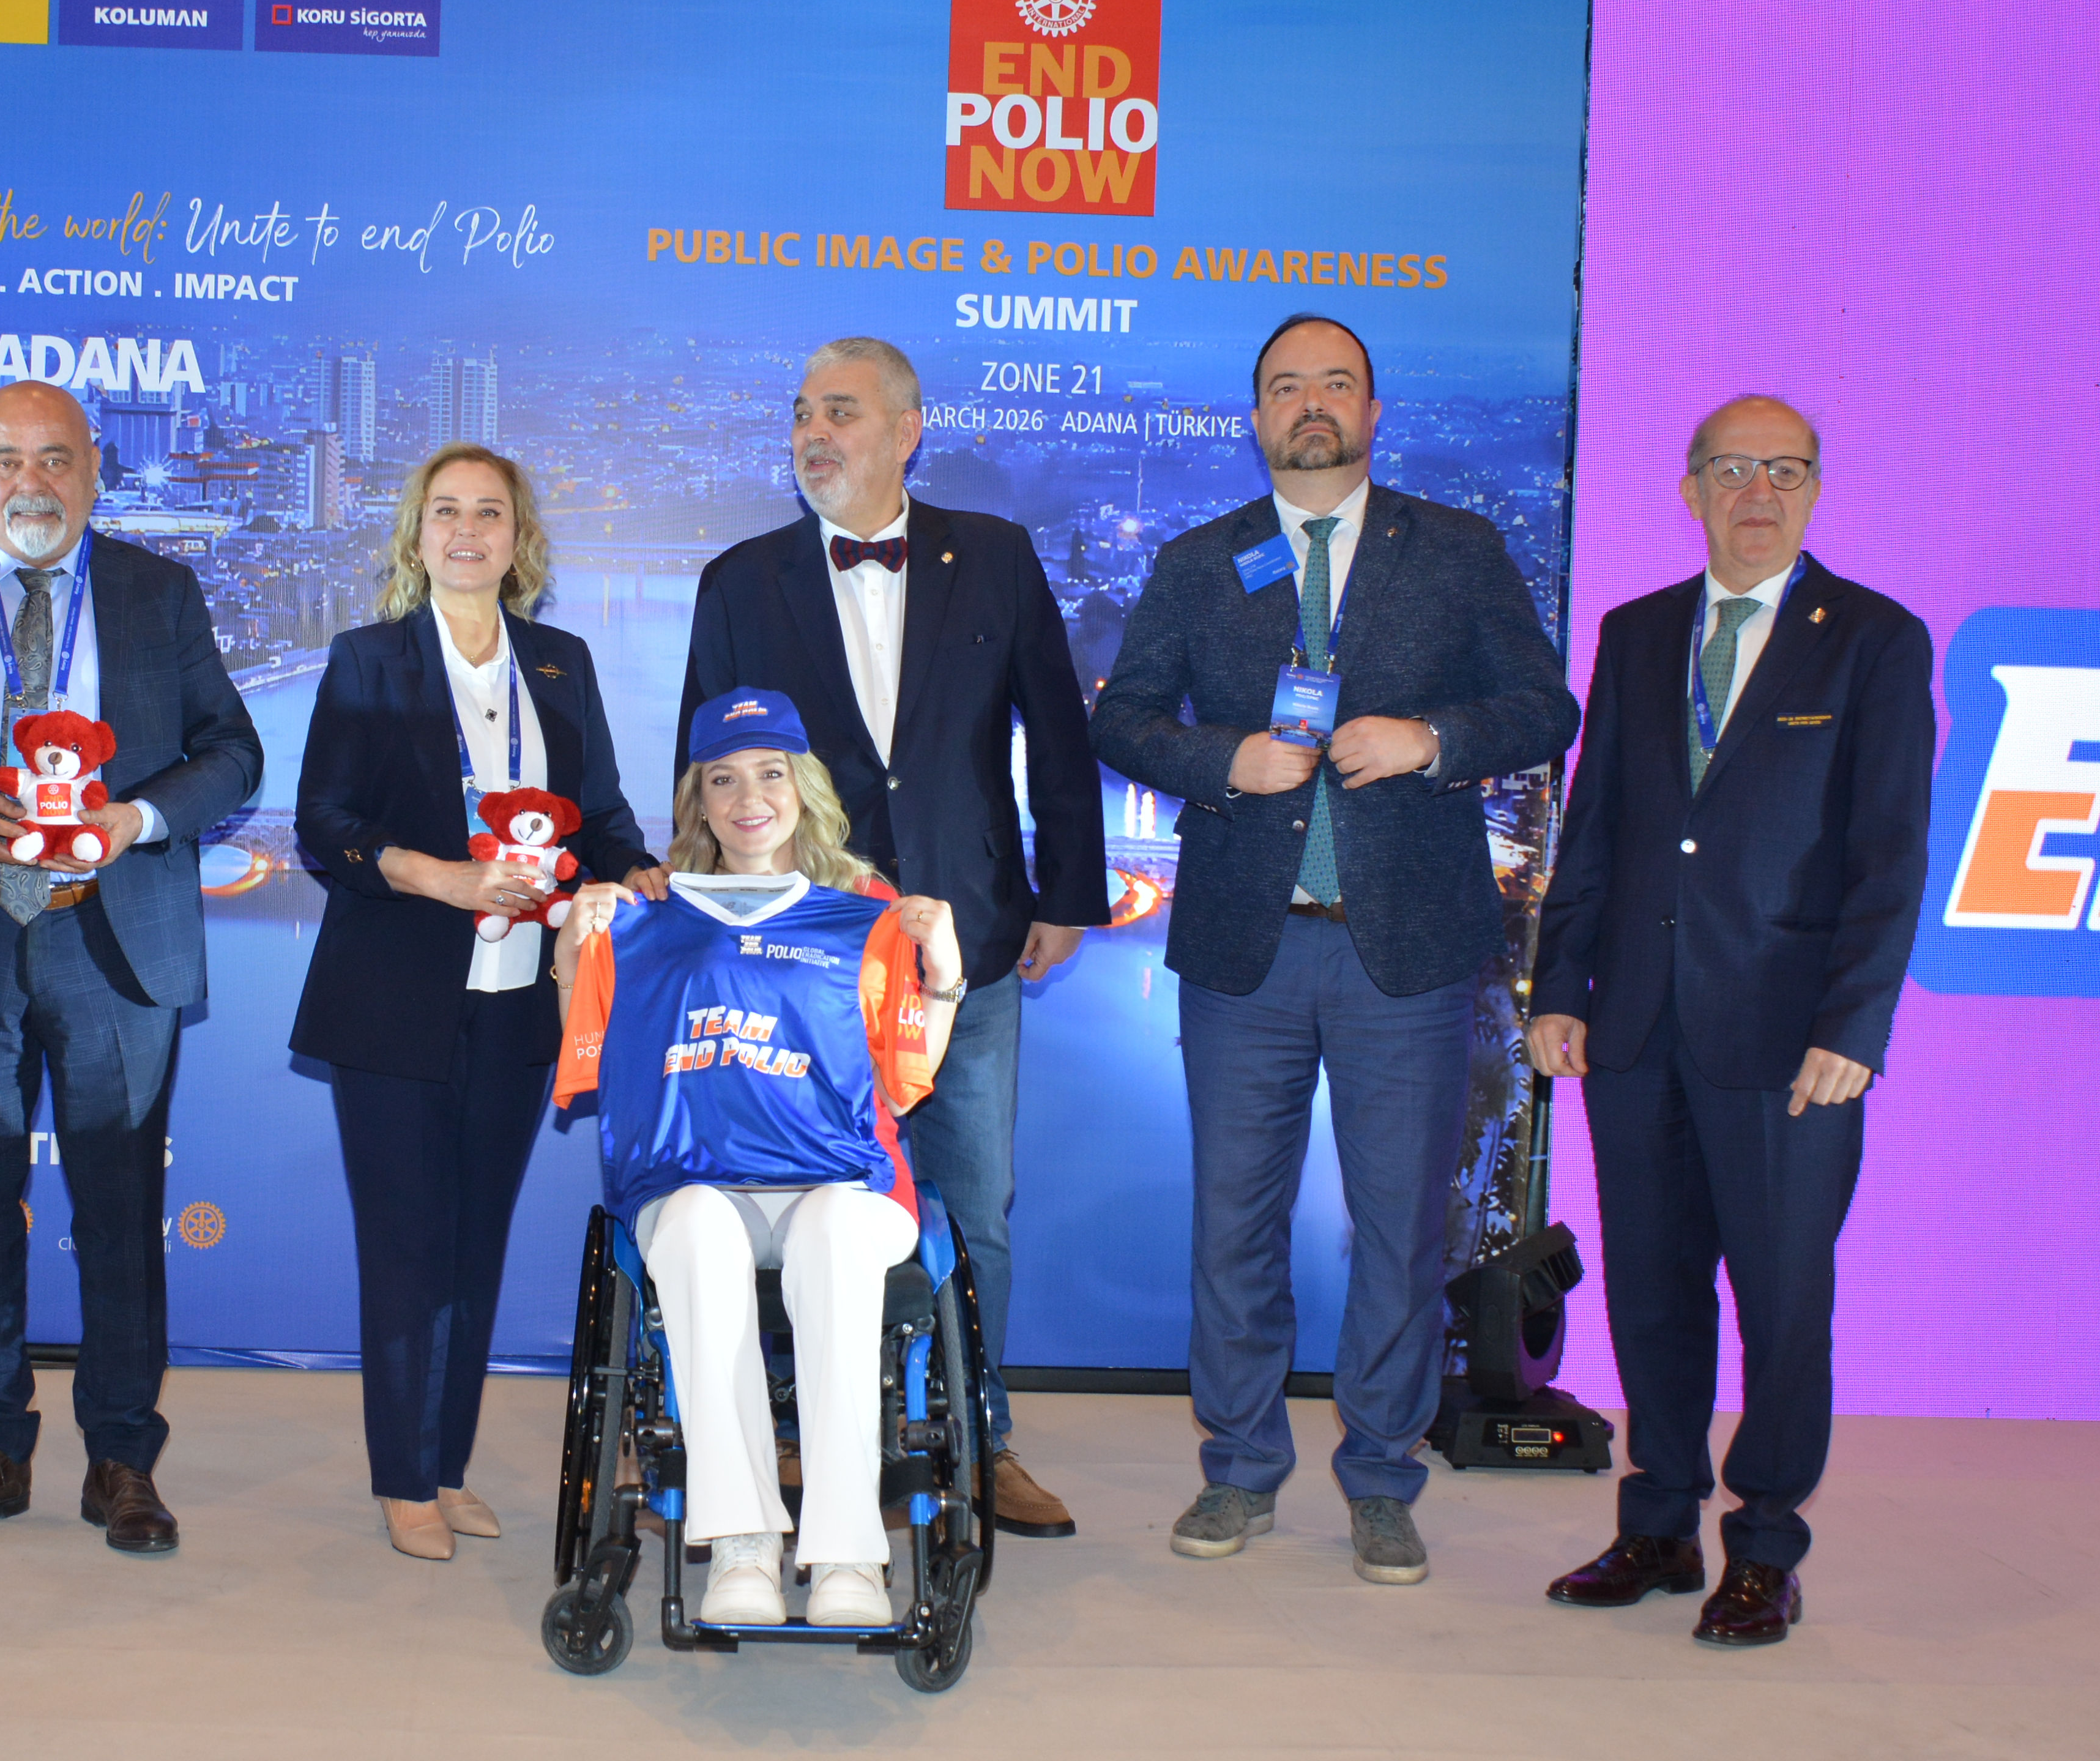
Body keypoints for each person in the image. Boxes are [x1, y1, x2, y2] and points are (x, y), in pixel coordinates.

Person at [1092, 312, 1580, 1585]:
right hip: (1243, 951)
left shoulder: (1458, 551)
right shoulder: (1203, 561)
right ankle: (1240, 1466)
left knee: (1399, 1230)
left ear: (1373, 411)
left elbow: (1546, 706)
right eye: (1286, 386)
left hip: (1403, 952)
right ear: (1256, 415)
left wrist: (1433, 740)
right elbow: (1125, 719)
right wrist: (1224, 760)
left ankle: (1380, 1474)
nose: (1312, 404)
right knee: (1233, 1225)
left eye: (1337, 384)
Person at [678, 336, 1104, 1541]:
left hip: (970, 943)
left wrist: (1068, 894)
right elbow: (703, 774)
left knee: (974, 1206)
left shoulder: (999, 557)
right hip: (803, 955)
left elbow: (1057, 736)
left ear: (909, 430)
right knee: (797, 1203)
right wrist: (709, 927)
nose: (815, 433)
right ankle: (796, 1433)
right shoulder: (740, 580)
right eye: (802, 413)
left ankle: (979, 1438)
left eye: (843, 412)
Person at [0, 381, 263, 1557]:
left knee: (120, 1210)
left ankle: (122, 1458)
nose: (32, 483)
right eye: (7, 460)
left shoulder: (158, 592)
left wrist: (136, 819)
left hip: (114, 939)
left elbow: (235, 753)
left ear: (94, 473)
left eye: (57, 459)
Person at [1527, 397, 1932, 1646]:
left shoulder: (1873, 639)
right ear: (1691, 488)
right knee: (1651, 1292)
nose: (1760, 492)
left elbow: (1890, 853)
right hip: (1637, 1028)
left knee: (1781, 1301)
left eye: (1786, 471)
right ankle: (1657, 1524)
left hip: (1789, 1039)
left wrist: (1854, 1025)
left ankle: (1764, 1546)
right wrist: (1559, 987)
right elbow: (1595, 828)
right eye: (1735, 469)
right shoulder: (1638, 632)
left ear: (1815, 490)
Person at [291, 444, 657, 1560]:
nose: (466, 531)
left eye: (488, 513)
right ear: (417, 535)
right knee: (406, 1246)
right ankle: (403, 1479)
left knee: (476, 1243)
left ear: (518, 538)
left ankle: (447, 1467)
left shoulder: (561, 662)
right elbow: (324, 825)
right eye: (445, 511)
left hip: (522, 1001)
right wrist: (441, 878)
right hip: (392, 997)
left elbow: (601, 813)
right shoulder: (367, 659)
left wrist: (639, 871)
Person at [553, 689, 966, 1628]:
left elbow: (903, 1080)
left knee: (834, 1233)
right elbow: (594, 1051)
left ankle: (850, 1556)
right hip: (694, 1179)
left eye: (771, 774)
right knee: (698, 1227)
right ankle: (741, 1541)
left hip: (844, 1179)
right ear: (697, 802)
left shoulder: (867, 908)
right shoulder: (650, 910)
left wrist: (942, 973)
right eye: (724, 780)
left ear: (802, 785)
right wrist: (576, 956)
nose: (750, 799)